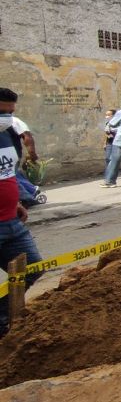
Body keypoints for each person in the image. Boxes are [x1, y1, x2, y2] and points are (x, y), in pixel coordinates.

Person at [1, 88, 42, 339]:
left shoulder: (7, 135)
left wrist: (15, 201)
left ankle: (2, 317)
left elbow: (7, 173)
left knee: (34, 268)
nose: (6, 117)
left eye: (10, 112)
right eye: (1, 111)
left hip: (11, 221)